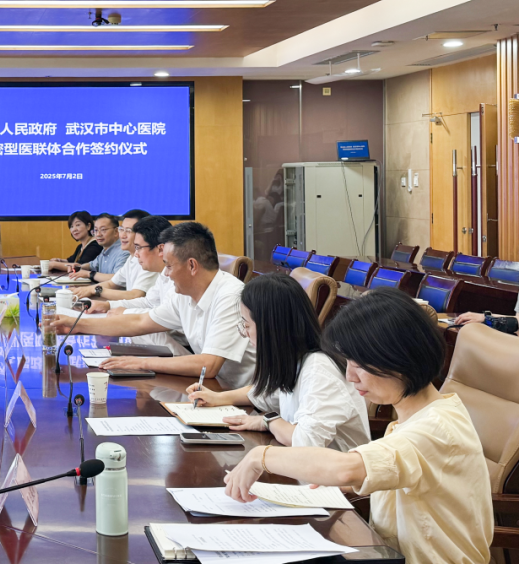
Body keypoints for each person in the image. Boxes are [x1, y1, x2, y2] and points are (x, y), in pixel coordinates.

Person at [223, 288, 492, 564]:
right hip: (385, 553)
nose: (350, 376)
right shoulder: (417, 417)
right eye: (348, 362)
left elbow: (347, 469)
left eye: (359, 364)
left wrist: (261, 456)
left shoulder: (435, 428)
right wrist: (348, 486)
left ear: (400, 358)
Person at [54, 222, 256, 390]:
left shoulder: (230, 296)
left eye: (169, 266)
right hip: (211, 387)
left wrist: (140, 363)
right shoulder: (184, 293)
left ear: (192, 265)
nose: (165, 274)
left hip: (241, 395)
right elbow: (140, 322)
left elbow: (208, 365)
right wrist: (75, 324)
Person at [188, 273, 369, 451]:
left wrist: (268, 421)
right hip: (308, 465)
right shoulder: (295, 359)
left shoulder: (319, 369)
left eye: (247, 325)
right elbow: (266, 393)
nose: (245, 333)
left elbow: (306, 442)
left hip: (332, 469)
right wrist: (218, 398)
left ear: (270, 327)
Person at [68, 209, 157, 301]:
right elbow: (111, 283)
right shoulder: (131, 258)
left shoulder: (149, 260)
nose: (122, 235)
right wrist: (83, 290)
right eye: (122, 229)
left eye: (128, 231)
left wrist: (94, 290)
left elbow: (136, 295)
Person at [68, 213, 129, 277]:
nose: (98, 234)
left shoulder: (124, 251)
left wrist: (89, 274)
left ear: (116, 231)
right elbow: (92, 265)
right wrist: (79, 267)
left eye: (103, 230)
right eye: (96, 230)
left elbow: (117, 278)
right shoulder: (105, 250)